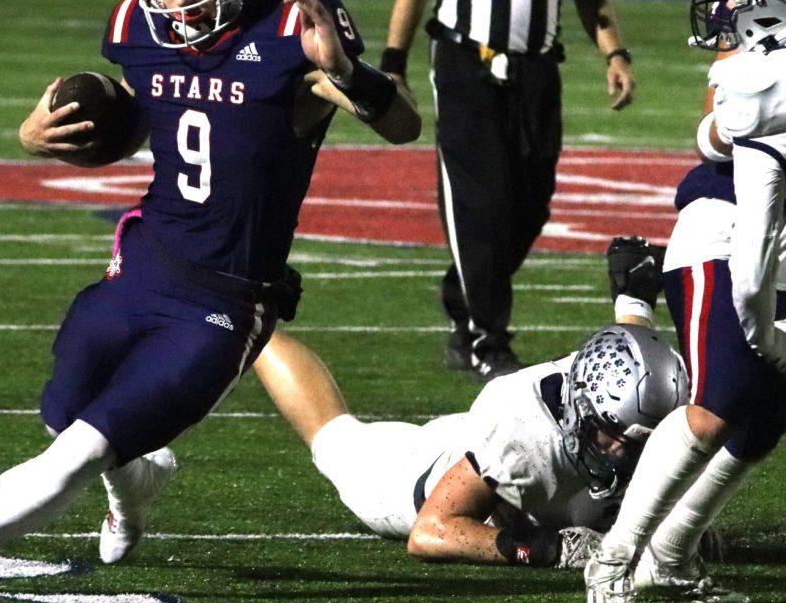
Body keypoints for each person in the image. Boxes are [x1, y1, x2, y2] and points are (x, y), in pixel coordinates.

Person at [0, 0, 421, 597]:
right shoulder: (138, 25)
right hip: (142, 266)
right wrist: (37, 138)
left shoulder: (292, 30)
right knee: (63, 416)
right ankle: (135, 494)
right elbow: (145, 114)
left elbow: (403, 123)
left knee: (77, 453)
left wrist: (348, 72)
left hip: (224, 301)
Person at [251, 238, 690, 568]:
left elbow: (636, 347)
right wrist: (546, 549)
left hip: (488, 444)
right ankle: (248, 323)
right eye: (612, 436)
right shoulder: (524, 433)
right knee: (335, 438)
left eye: (639, 441)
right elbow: (430, 531)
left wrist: (634, 299)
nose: (623, 453)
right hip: (417, 474)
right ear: (582, 409)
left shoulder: (636, 392)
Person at [585, 0, 786, 603]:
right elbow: (710, 134)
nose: (725, 7)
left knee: (768, 415)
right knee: (718, 402)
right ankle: (613, 559)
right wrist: (741, 122)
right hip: (721, 231)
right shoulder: (756, 59)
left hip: (775, 242)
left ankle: (669, 556)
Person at [380, 0, 635, 380]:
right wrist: (394, 64)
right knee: (480, 203)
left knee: (531, 204)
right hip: (467, 63)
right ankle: (488, 342)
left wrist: (614, 52)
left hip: (538, 68)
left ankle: (465, 294)